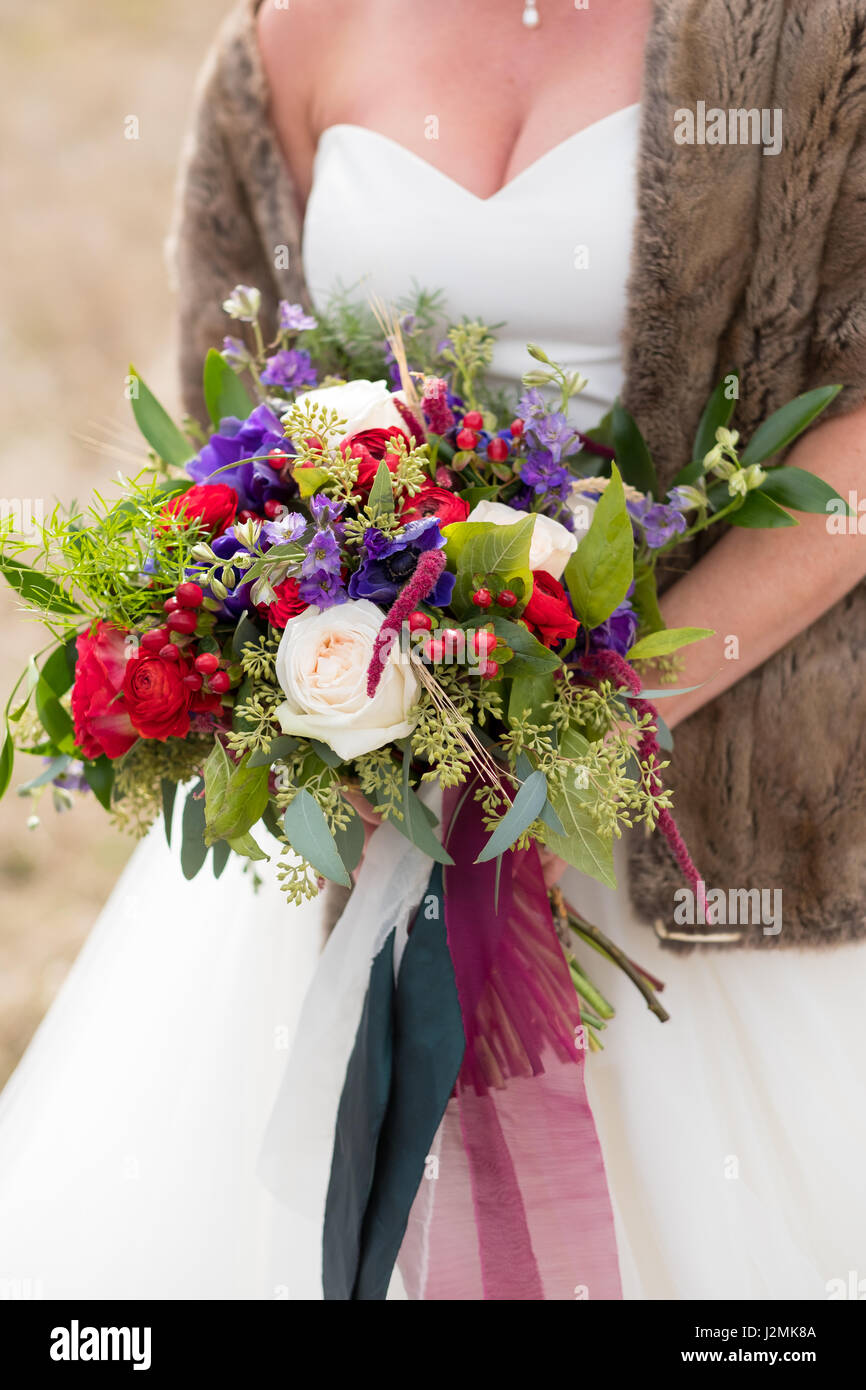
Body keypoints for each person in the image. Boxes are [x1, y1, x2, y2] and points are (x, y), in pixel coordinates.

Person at [1, 0, 865, 1299]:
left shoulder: (805, 34)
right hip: (374, 779)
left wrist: (596, 708)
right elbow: (228, 414)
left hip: (716, 791)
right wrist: (325, 678)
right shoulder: (288, 39)